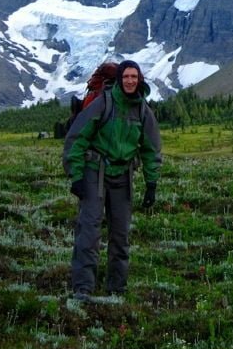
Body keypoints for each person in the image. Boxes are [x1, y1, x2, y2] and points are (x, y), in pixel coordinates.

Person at [63, 59, 162, 300]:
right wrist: (76, 175)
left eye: (134, 77)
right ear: (119, 79)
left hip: (123, 176)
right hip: (94, 173)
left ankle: (116, 288)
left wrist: (151, 183)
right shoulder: (103, 104)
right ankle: (83, 288)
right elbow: (77, 139)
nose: (130, 81)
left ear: (139, 80)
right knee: (89, 230)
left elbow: (151, 149)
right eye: (126, 77)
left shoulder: (142, 110)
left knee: (120, 234)